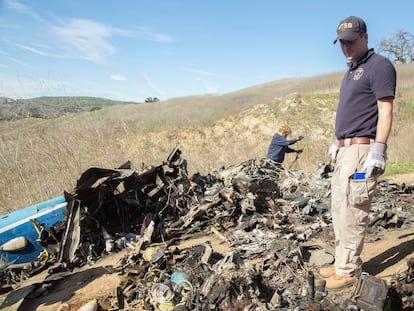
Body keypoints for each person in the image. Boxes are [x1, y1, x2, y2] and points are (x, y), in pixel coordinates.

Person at [320, 16, 397, 291]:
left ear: (365, 37)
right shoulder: (351, 71)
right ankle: (343, 262)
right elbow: (350, 111)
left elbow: (385, 109)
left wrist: (379, 149)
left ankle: (348, 270)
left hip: (363, 150)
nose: (346, 47)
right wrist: (336, 140)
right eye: (342, 42)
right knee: (340, 210)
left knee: (354, 209)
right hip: (344, 150)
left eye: (351, 41)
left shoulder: (379, 66)